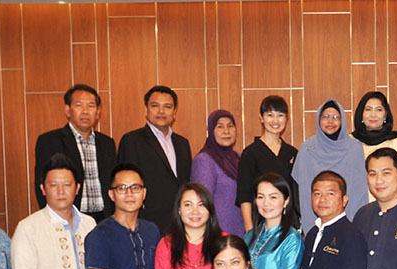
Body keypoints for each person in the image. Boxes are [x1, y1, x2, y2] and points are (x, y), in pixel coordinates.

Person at [13, 153, 97, 269]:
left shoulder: (89, 224)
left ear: (77, 188)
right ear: (43, 189)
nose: (61, 191)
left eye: (67, 185)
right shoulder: (28, 227)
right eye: (53, 185)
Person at [117, 85, 193, 235]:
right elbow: (124, 185)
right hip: (146, 223)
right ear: (146, 109)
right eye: (155, 106)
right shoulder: (132, 140)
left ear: (174, 112)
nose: (161, 111)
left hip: (179, 223)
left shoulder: (182, 143)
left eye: (167, 107)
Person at [34, 83, 116, 221]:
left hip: (104, 218)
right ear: (68, 110)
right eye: (79, 105)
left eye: (91, 106)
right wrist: (54, 219)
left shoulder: (107, 143)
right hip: (68, 217)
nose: (85, 111)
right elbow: (42, 184)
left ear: (98, 112)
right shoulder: (49, 141)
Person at [291, 99, 368, 232]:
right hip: (314, 222)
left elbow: (360, 190)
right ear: (318, 119)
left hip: (349, 221)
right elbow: (299, 190)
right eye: (325, 116)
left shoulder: (355, 148)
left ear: (342, 120)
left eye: (335, 117)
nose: (330, 121)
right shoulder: (307, 149)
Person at [237, 95, 299, 232]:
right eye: (270, 115)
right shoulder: (250, 153)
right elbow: (244, 195)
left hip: (289, 223)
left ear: (286, 118)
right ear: (261, 118)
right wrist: (249, 230)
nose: (275, 120)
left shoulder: (292, 153)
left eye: (280, 115)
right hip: (261, 222)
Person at [244, 173, 304, 269]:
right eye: (261, 197)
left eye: (273, 197)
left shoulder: (292, 238)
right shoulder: (249, 235)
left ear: (286, 201)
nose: (266, 203)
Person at [191, 109, 245, 236]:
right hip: (217, 234)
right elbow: (202, 203)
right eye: (220, 126)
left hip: (241, 232)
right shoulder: (204, 160)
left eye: (230, 126)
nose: (226, 131)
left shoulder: (238, 157)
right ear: (211, 131)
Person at [352, 91, 397, 197]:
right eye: (368, 109)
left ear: (385, 115)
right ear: (361, 114)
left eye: (379, 110)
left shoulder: (396, 141)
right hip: (355, 202)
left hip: (390, 202)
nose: (373, 114)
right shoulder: (349, 141)